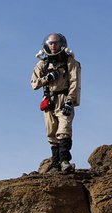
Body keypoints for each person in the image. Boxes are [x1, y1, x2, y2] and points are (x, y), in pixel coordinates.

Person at [31, 33, 81, 172]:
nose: (53, 46)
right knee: (51, 132)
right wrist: (48, 78)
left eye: (56, 43)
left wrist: (70, 101)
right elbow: (34, 84)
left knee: (64, 129)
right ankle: (55, 164)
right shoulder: (43, 63)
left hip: (65, 98)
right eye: (51, 43)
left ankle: (65, 161)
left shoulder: (69, 61)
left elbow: (74, 82)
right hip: (49, 100)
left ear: (62, 44)